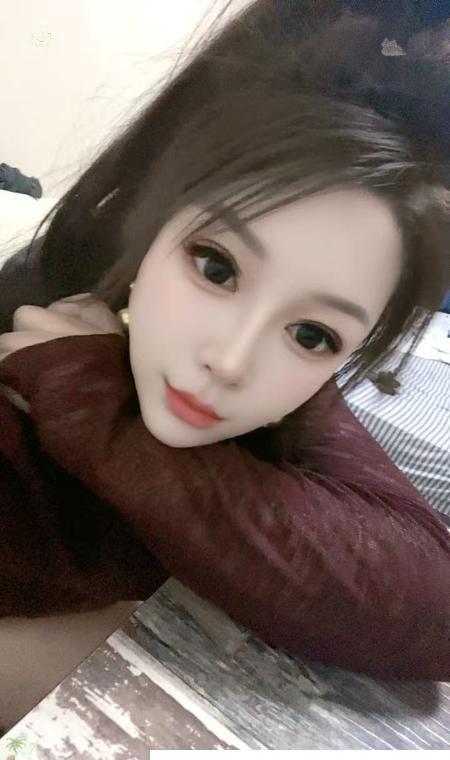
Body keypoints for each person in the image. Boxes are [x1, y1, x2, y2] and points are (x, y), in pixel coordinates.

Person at [0, 0, 449, 680]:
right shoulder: (48, 302)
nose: (231, 362)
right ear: (148, 224)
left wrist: (98, 410)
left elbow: (431, 606)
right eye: (216, 269)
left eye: (312, 333)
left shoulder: (291, 393)